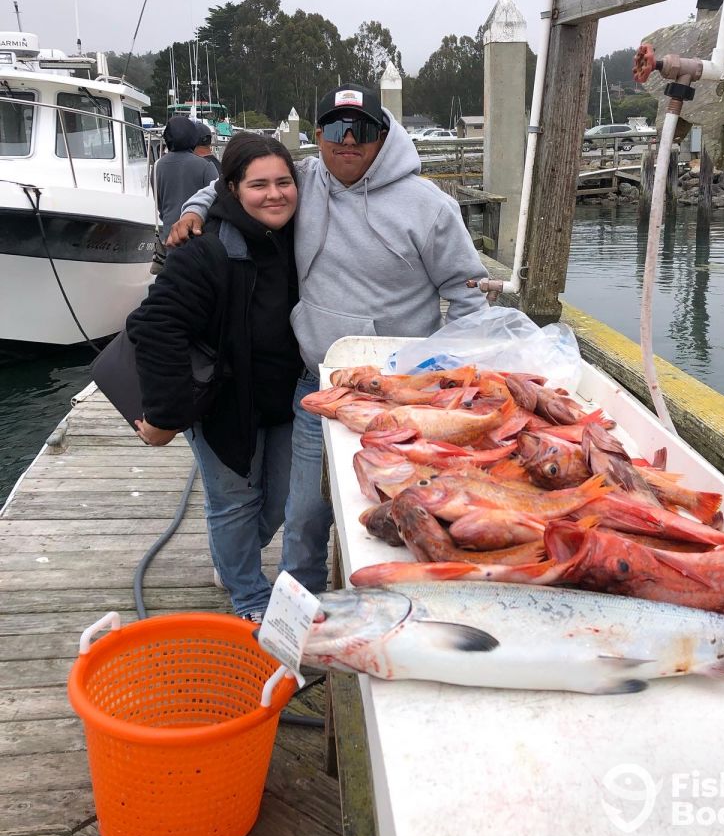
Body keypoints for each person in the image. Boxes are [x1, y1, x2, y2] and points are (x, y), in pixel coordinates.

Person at [169, 83, 489, 594]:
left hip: (403, 396)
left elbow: (468, 295)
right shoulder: (306, 180)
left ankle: (402, 605)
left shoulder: (430, 208)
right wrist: (193, 210)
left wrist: (451, 376)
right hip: (314, 387)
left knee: (406, 512)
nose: (348, 140)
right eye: (335, 128)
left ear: (384, 136)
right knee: (303, 515)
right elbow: (231, 183)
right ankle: (303, 614)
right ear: (317, 136)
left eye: (361, 129)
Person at [127, 133, 303, 622]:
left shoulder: (301, 238)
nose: (274, 194)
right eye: (259, 184)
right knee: (234, 503)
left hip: (287, 398)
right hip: (225, 403)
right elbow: (153, 325)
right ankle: (246, 593)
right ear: (231, 188)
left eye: (284, 181)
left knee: (285, 500)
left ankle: (233, 562)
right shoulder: (202, 250)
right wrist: (163, 417)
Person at [155, 116, 220, 240]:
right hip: (198, 233)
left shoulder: (158, 165)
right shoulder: (206, 166)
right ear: (193, 138)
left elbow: (159, 203)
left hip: (171, 234)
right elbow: (216, 199)